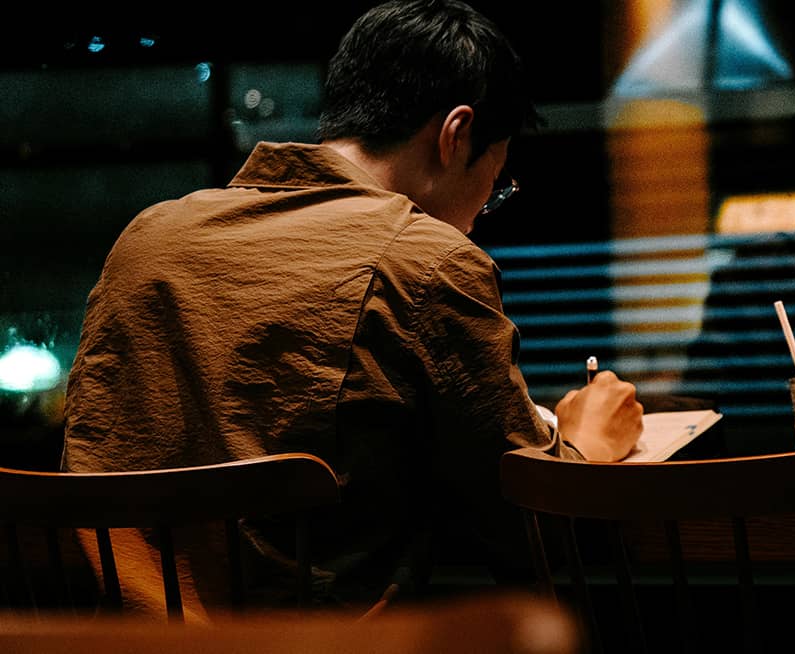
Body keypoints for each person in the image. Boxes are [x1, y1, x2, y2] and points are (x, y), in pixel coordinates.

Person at [60, 0, 643, 621]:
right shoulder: (428, 259)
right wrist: (582, 449)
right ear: (455, 135)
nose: (480, 216)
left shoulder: (147, 239)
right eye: (494, 186)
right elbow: (528, 535)